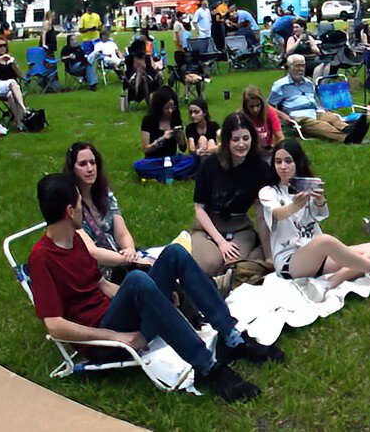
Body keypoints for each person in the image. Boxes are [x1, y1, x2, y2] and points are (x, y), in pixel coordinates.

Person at [28, 173, 279, 404]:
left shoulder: (75, 240)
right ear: (70, 211)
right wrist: (119, 338)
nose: (84, 206)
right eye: (80, 202)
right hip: (103, 341)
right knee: (137, 279)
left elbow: (102, 284)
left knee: (174, 254)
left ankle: (232, 337)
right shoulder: (42, 258)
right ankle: (209, 367)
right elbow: (54, 325)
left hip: (116, 317)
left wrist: (154, 299)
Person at [257, 139, 370, 299]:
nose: (283, 167)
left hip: (317, 257)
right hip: (290, 261)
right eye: (278, 162)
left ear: (298, 162)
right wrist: (294, 206)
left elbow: (319, 216)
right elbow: (277, 214)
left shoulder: (306, 186)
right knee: (325, 241)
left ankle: (328, 284)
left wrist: (320, 201)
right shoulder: (269, 191)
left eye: (288, 161)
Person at [191, 113, 278, 276]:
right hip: (208, 227)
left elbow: (262, 212)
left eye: (246, 138)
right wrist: (221, 242)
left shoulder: (260, 169)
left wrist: (269, 257)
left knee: (233, 267)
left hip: (239, 227)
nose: (241, 144)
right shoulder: (209, 165)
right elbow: (199, 209)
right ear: (226, 141)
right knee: (209, 265)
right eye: (235, 139)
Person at [63, 142, 145, 277]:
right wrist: (126, 259)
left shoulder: (105, 195)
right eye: (83, 164)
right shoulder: (71, 206)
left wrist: (129, 249)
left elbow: (122, 234)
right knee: (143, 279)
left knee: (175, 254)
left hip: (123, 260)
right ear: (72, 169)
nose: (90, 169)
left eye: (93, 163)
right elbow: (91, 251)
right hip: (99, 274)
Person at [269, 55, 369, 144]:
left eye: (303, 66)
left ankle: (348, 129)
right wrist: (284, 116)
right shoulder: (281, 85)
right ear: (289, 67)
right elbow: (268, 106)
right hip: (298, 116)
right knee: (321, 125)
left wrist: (322, 109)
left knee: (332, 118)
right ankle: (346, 138)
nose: (301, 69)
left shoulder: (308, 82)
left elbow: (315, 99)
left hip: (314, 111)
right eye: (297, 66)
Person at [135, 88, 195, 181]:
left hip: (172, 159)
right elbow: (146, 149)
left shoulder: (175, 119)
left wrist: (180, 138)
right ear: (159, 107)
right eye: (167, 108)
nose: (170, 111)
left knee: (193, 160)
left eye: (173, 107)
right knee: (139, 165)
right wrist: (161, 140)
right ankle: (173, 174)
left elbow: (183, 148)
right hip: (154, 161)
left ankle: (160, 176)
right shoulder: (148, 120)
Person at [0, 38, 29, 129]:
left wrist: (14, 65)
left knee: (12, 96)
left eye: (5, 45)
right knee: (12, 82)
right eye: (0, 46)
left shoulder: (10, 60)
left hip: (12, 88)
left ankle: (19, 123)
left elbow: (21, 76)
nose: (3, 48)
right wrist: (0, 58)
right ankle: (24, 109)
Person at [238, 85, 287, 152]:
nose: (255, 110)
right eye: (251, 107)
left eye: (258, 105)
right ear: (246, 106)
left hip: (268, 149)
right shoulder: (241, 116)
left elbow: (280, 136)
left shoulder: (270, 112)